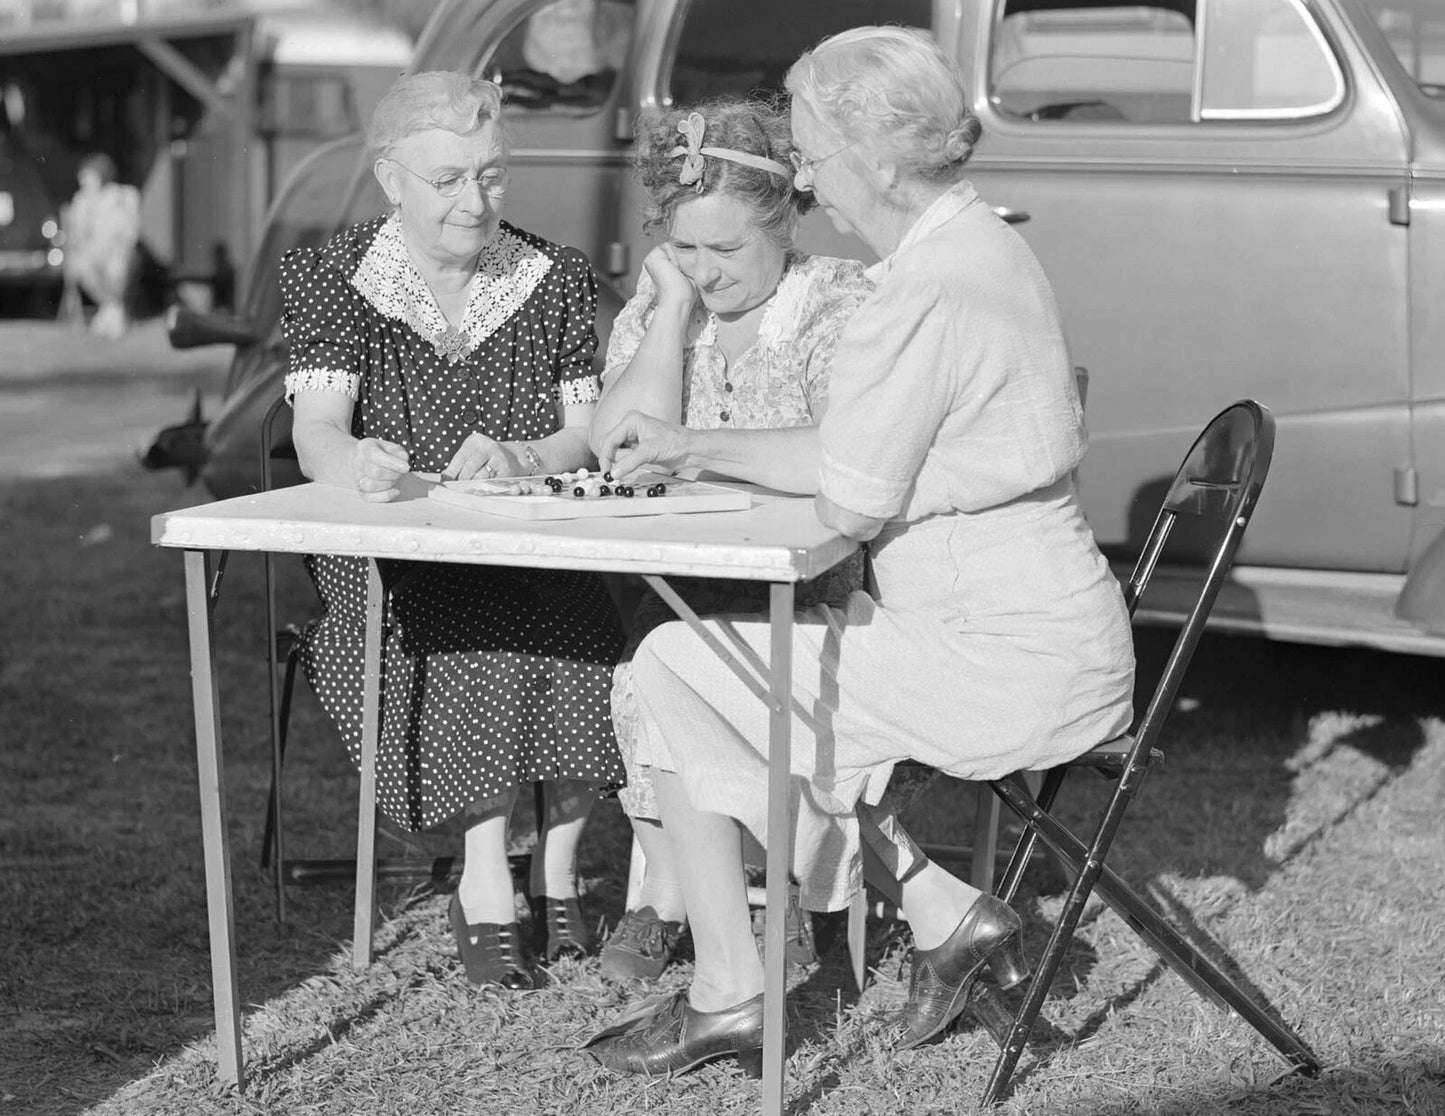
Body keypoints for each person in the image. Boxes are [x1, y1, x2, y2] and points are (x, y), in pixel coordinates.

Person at [584, 26, 1135, 1075]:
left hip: (1005, 659)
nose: (801, 171)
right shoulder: (969, 245)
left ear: (874, 157)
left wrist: (697, 451)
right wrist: (696, 441)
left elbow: (849, 494)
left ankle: (729, 990)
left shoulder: (918, 289)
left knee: (675, 665)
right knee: (722, 666)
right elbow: (856, 459)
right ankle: (935, 912)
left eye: (808, 148)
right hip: (1022, 621)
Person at [280, 71, 626, 990]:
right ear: (391, 179)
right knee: (479, 643)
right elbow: (315, 430)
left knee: (596, 637)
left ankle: (553, 876)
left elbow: (583, 431)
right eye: (449, 180)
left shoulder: (550, 277)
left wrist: (522, 457)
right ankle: (483, 882)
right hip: (393, 553)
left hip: (529, 538)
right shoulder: (335, 277)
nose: (475, 200)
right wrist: (354, 461)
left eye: (492, 174)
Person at [587, 97, 870, 982]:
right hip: (679, 576)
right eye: (685, 248)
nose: (705, 272)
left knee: (703, 663)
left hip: (813, 586)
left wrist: (696, 450)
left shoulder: (838, 305)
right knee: (645, 658)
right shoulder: (668, 301)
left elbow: (842, 460)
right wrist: (669, 313)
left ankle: (749, 884)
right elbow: (613, 443)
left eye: (725, 250)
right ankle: (688, 886)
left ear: (784, 226)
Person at [61, 153, 140, 338]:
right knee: (81, 264)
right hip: (92, 253)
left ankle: (110, 312)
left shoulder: (123, 195)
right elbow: (76, 234)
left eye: (88, 175)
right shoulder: (81, 200)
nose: (83, 180)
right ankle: (113, 311)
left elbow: (130, 231)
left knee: (117, 267)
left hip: (117, 252)